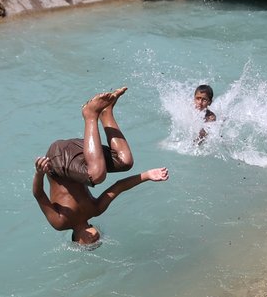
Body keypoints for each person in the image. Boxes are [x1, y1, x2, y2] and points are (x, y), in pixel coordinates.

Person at [33, 87, 169, 245]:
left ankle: (90, 114)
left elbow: (39, 195)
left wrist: (39, 173)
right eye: (96, 244)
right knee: (125, 161)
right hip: (82, 154)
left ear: (77, 241)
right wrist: (147, 175)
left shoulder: (60, 222)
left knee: (96, 175)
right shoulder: (96, 209)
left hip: (57, 159)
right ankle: (106, 112)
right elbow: (119, 186)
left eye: (88, 245)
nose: (94, 242)